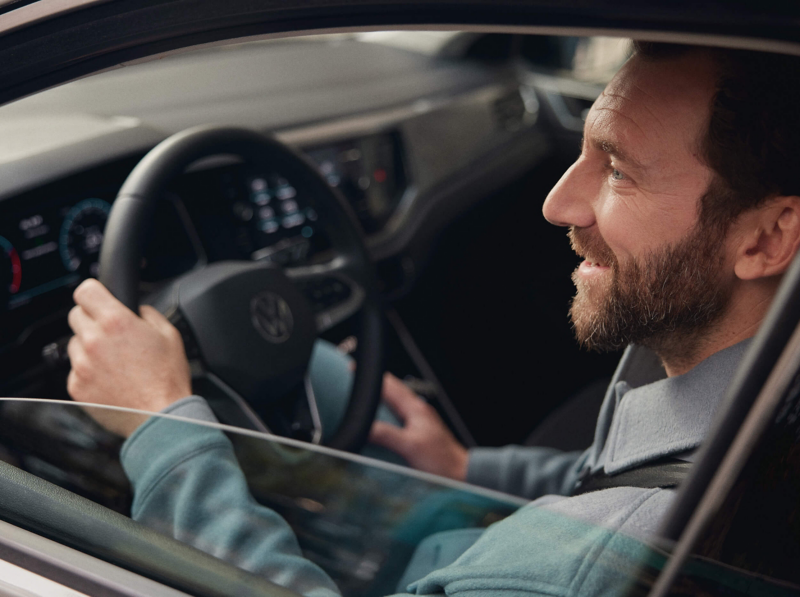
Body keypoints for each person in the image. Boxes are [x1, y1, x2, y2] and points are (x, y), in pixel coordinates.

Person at [64, 41, 800, 595]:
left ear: (767, 238)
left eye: (616, 171)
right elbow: (607, 472)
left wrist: (164, 423)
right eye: (584, 146)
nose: (558, 205)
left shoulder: (580, 567)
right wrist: (465, 469)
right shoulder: (741, 369)